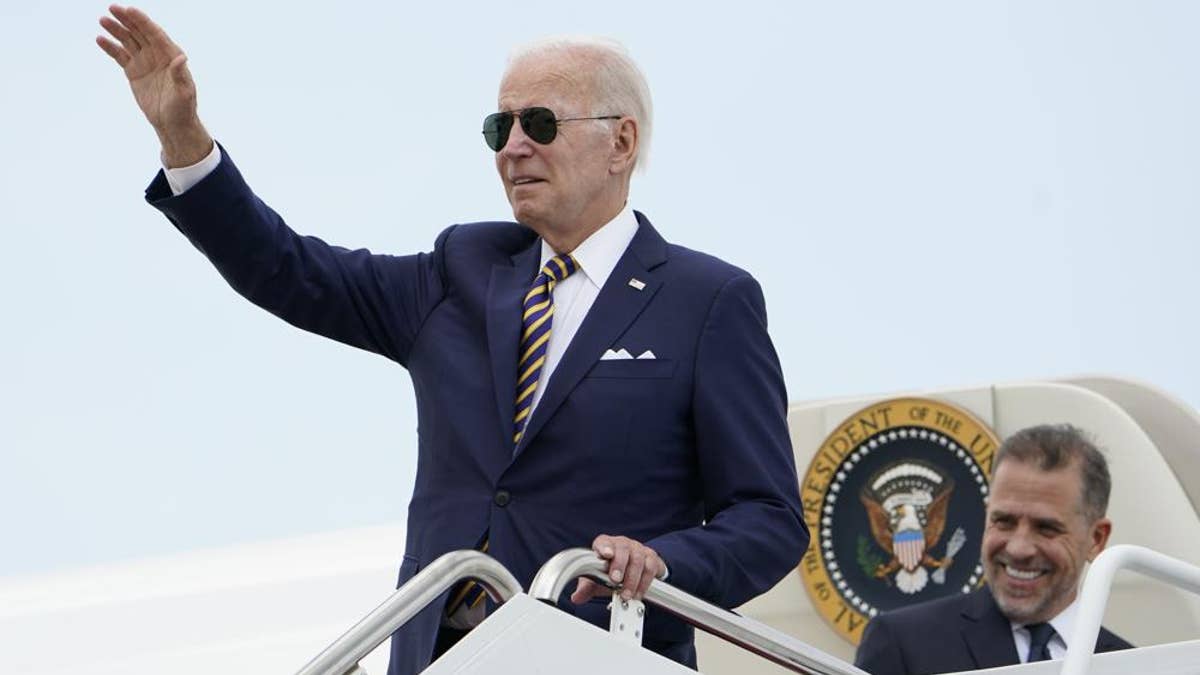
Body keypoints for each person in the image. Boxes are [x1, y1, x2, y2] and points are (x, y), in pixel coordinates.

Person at [96, 6, 809, 673]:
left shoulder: (708, 300)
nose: (515, 147)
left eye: (539, 123)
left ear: (620, 141)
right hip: (440, 656)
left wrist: (662, 561)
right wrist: (184, 140)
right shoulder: (460, 271)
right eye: (500, 129)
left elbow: (769, 519)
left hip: (597, 651)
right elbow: (288, 270)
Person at [854, 424, 1133, 674]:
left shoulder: (1138, 666)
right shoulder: (903, 644)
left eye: (1046, 528)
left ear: (1096, 539)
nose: (1019, 548)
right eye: (1004, 521)